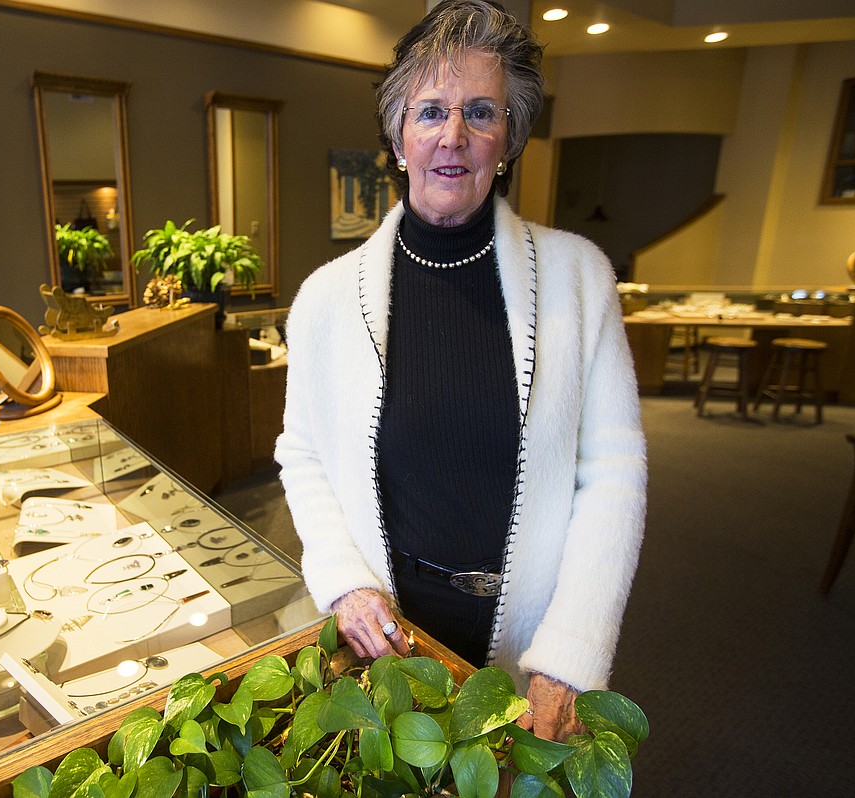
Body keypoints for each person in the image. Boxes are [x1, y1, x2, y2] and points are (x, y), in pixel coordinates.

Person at [274, 0, 647, 742]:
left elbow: (614, 467)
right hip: (383, 638)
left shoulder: (578, 278)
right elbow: (302, 452)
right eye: (431, 111)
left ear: (508, 138)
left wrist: (571, 652)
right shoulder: (324, 298)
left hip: (530, 638)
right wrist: (346, 583)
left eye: (481, 112)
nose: (453, 136)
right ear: (396, 134)